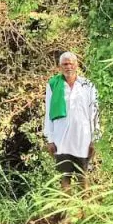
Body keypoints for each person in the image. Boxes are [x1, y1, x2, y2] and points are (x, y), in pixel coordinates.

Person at [43, 51, 100, 190]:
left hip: (83, 137)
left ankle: (84, 210)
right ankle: (66, 210)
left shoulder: (88, 85)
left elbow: (94, 112)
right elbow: (48, 112)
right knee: (64, 176)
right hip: (61, 138)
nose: (68, 67)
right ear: (60, 67)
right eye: (65, 64)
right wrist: (50, 139)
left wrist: (95, 138)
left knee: (83, 176)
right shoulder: (53, 85)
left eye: (71, 63)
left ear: (77, 65)